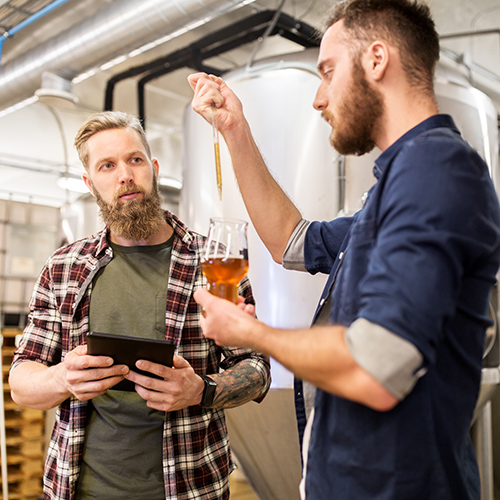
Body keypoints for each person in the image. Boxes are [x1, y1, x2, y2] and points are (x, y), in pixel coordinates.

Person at [188, 0, 500, 499]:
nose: (318, 98)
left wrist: (252, 333)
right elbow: (290, 240)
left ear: (377, 60)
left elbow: (374, 365)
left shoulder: (436, 171)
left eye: (328, 72)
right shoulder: (394, 187)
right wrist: (235, 130)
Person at [8, 111, 271, 500]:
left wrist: (201, 390)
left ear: (154, 167)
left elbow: (257, 367)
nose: (125, 176)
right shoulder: (64, 268)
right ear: (89, 182)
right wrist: (63, 378)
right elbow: (21, 382)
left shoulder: (214, 262)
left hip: (190, 486)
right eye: (107, 166)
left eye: (135, 160)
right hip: (78, 488)